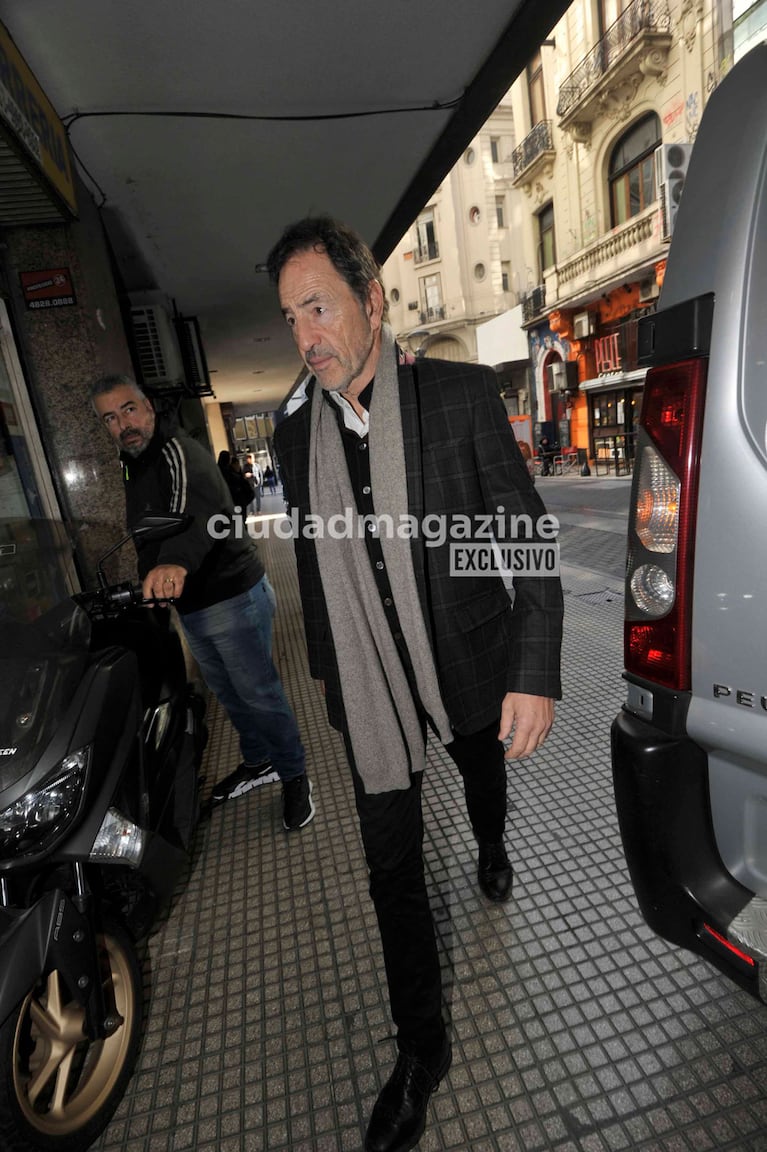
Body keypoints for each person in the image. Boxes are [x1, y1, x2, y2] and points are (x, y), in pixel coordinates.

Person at [267, 216, 563, 1152]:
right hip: (370, 692)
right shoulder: (290, 434)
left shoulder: (462, 398)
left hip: (467, 661)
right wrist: (328, 679)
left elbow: (528, 546)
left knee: (483, 781)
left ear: (373, 300)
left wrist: (536, 671)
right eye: (289, 316)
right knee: (389, 873)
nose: (306, 334)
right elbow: (315, 569)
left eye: (318, 306)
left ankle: (489, 844)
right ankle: (420, 1049)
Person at [89, 374, 315, 828]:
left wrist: (172, 566)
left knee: (260, 694)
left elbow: (195, 511)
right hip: (193, 604)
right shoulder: (133, 464)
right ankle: (258, 761)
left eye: (129, 409)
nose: (123, 424)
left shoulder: (178, 451)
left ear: (148, 407)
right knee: (230, 695)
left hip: (232, 596)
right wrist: (148, 578)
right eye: (110, 418)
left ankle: (295, 777)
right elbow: (148, 532)